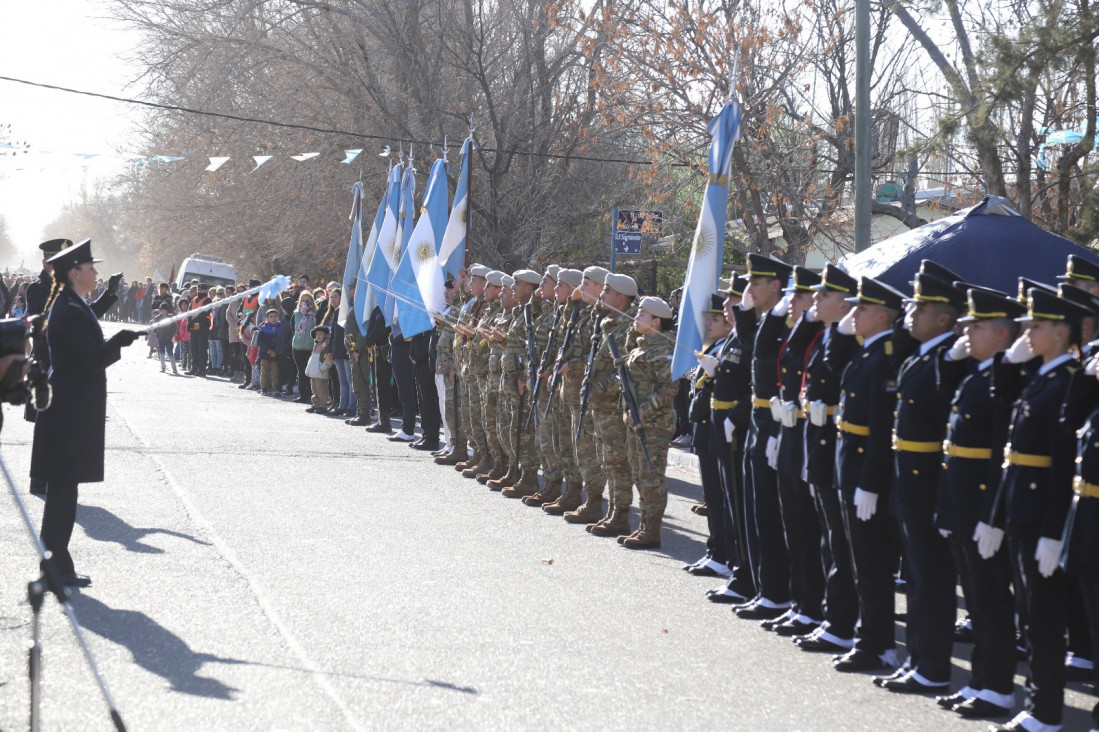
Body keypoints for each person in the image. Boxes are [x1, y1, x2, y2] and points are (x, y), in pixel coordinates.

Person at [985, 286, 1090, 732]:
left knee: (1043, 622)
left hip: (1040, 516)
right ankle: (1036, 704)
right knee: (1029, 616)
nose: (1027, 333)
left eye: (1037, 326)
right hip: (1019, 511)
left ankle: (1046, 711)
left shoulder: (1068, 383)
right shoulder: (1041, 377)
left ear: (1061, 332)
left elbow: (1064, 467)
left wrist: (1053, 531)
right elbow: (1004, 418)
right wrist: (995, 517)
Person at [933, 285, 1023, 720]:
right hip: (961, 502)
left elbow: (999, 457)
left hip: (984, 506)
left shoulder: (1006, 383)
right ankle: (981, 682)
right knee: (977, 598)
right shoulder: (975, 372)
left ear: (1004, 335)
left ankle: (999, 688)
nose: (965, 330)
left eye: (976, 325)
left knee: (991, 601)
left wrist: (990, 517)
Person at [29, 239, 140, 587]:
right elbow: (90, 361)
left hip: (70, 410)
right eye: (91, 269)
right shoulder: (69, 307)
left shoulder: (72, 303)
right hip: (68, 412)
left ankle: (56, 562)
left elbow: (87, 344)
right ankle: (55, 564)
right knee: (63, 491)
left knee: (65, 490)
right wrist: (117, 344)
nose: (96, 273)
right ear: (75, 273)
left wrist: (114, 331)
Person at [829, 276, 906, 674]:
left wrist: (871, 483)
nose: (852, 314)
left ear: (881, 316)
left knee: (873, 566)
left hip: (865, 472)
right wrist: (840, 333)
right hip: (850, 466)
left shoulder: (885, 357)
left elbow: (881, 428)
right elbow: (832, 363)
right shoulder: (865, 352)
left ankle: (878, 645)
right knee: (861, 563)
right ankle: (870, 639)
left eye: (860, 310)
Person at [617, 295, 677, 548]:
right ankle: (644, 526)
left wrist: (644, 409)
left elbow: (668, 388)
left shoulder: (662, 350)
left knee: (651, 476)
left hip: (654, 423)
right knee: (640, 475)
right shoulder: (641, 346)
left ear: (656, 321)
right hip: (636, 420)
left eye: (642, 315)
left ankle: (652, 530)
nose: (636, 318)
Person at [292, 291, 317, 403]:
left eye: (308, 300)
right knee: (301, 372)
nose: (305, 303)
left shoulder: (315, 313)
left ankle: (312, 395)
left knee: (311, 372)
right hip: (298, 347)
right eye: (303, 300)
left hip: (311, 347)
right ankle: (302, 395)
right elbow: (292, 329)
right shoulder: (296, 314)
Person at [306, 324, 333, 413]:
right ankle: (316, 404)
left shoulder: (327, 346)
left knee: (322, 390)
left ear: (325, 335)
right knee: (314, 390)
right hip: (313, 372)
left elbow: (329, 359)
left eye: (321, 334)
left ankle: (323, 405)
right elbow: (312, 358)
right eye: (317, 334)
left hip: (321, 372)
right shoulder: (315, 345)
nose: (318, 336)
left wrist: (323, 367)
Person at [256, 308, 281, 395]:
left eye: (275, 316)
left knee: (275, 372)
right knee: (265, 372)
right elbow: (260, 341)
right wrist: (269, 350)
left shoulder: (280, 327)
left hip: (276, 354)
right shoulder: (263, 329)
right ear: (267, 318)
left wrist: (275, 351)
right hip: (265, 353)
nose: (273, 318)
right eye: (271, 317)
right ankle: (264, 388)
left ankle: (276, 388)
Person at [153, 302, 179, 374]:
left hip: (169, 339)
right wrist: (157, 333)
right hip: (160, 338)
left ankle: (174, 368)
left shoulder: (171, 317)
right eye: (161, 310)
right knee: (161, 353)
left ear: (167, 310)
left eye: (164, 310)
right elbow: (154, 327)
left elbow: (175, 327)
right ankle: (163, 367)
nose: (163, 311)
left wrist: (171, 335)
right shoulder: (157, 318)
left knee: (170, 353)